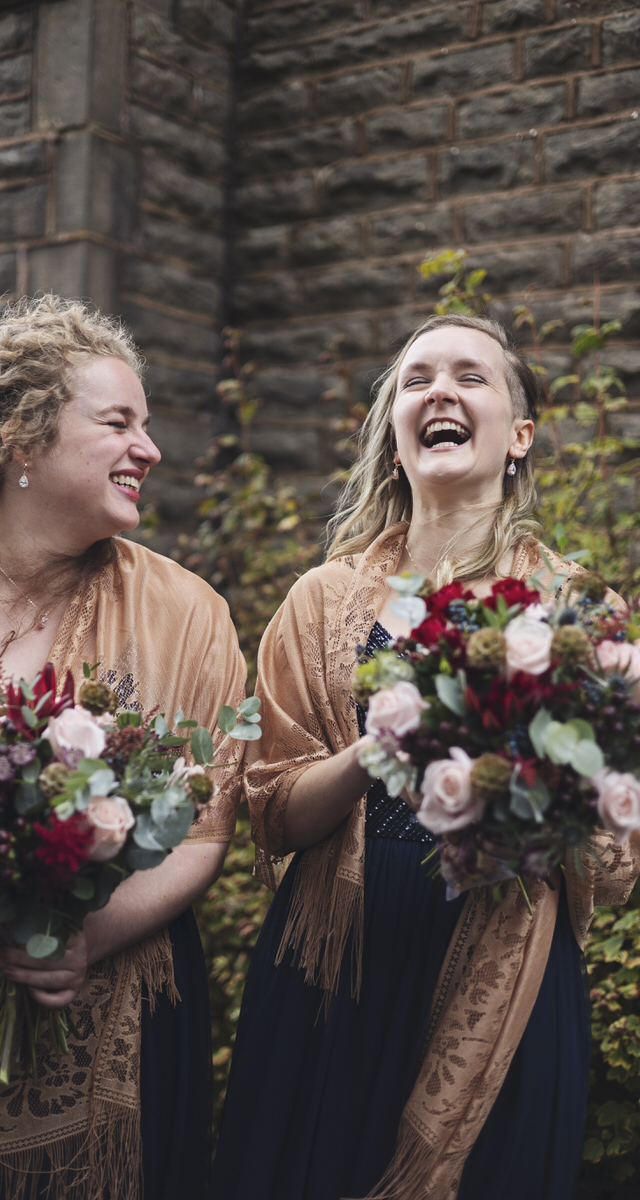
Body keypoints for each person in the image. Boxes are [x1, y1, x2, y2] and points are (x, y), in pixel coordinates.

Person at [209, 314, 640, 1200]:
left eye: (471, 378)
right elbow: (272, 811)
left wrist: (547, 778)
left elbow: (619, 859)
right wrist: (377, 752)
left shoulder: (581, 613)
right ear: (395, 436)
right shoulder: (320, 603)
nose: (440, 392)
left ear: (520, 436)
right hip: (334, 963)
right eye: (417, 381)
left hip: (505, 952)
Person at [0, 295, 247, 1200]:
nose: (149, 449)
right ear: (24, 441)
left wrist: (86, 936)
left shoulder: (189, 618)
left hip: (121, 1046)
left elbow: (206, 830)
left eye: (148, 426)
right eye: (118, 422)